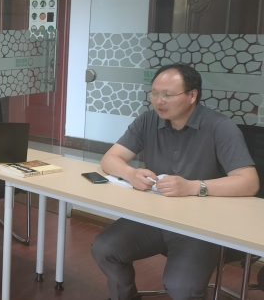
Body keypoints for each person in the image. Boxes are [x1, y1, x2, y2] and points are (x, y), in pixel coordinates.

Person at [91, 63, 259, 300]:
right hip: (155, 217)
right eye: (154, 93)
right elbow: (110, 159)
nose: (159, 101)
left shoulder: (220, 127)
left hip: (201, 226)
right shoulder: (148, 121)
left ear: (192, 95)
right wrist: (130, 173)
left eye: (168, 95)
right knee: (105, 249)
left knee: (182, 287)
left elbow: (249, 182)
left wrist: (192, 186)